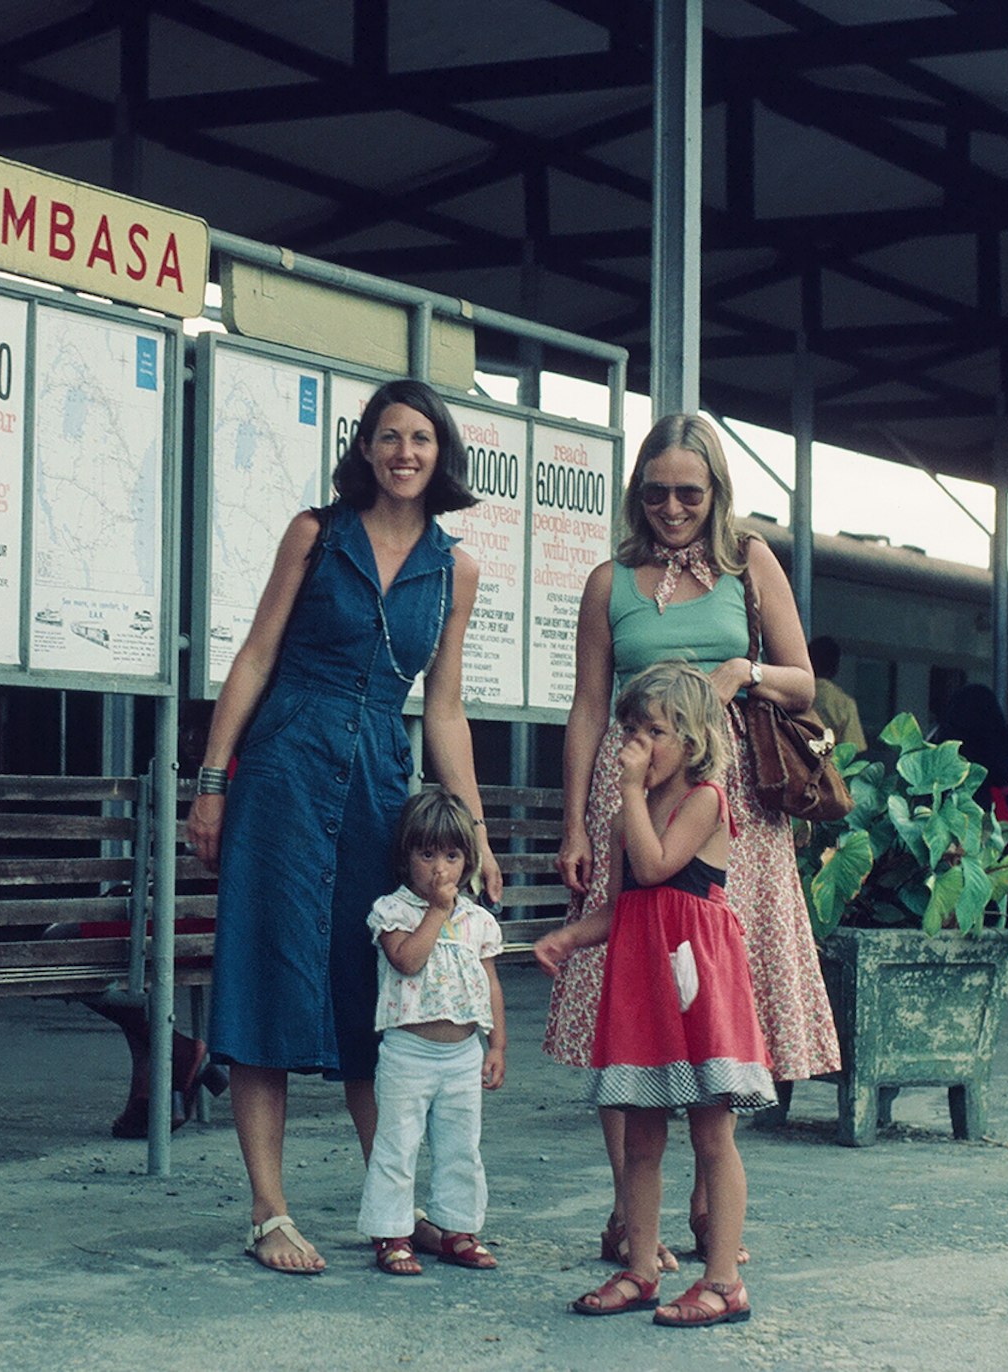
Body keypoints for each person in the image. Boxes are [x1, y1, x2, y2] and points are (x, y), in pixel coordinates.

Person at [184, 378, 502, 1275]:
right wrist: (214, 779)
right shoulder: (314, 535)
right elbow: (255, 655)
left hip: (373, 785)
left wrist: (471, 831)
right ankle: (269, 1212)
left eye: (422, 440)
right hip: (283, 769)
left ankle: (395, 1209)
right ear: (364, 448)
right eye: (388, 436)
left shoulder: (455, 570)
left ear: (443, 456)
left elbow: (443, 711)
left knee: (376, 998)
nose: (405, 453)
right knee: (264, 977)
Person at [546, 413, 837, 1272]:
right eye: (658, 491)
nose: (673, 507)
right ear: (638, 490)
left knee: (716, 989)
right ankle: (629, 1216)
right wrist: (575, 822)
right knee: (625, 986)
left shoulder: (749, 564)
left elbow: (805, 680)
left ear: (716, 492)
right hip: (626, 791)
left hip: (726, 796)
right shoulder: (610, 581)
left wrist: (743, 671)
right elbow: (588, 709)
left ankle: (713, 1202)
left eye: (690, 492)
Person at [536, 663, 772, 1328]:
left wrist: (632, 795)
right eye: (630, 729)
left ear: (695, 740)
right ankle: (641, 1269)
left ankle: (723, 1281)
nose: (637, 742)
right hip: (642, 984)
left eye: (655, 730)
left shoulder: (705, 801)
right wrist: (570, 937)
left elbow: (657, 866)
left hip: (697, 984)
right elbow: (620, 906)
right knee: (641, 1136)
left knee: (711, 1135)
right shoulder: (621, 818)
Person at [357, 789, 506, 1276]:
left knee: (462, 1147)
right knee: (397, 1146)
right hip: (408, 1053)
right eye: (427, 854)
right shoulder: (394, 911)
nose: (439, 868)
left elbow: (490, 983)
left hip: (462, 1054)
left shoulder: (477, 920)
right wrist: (436, 912)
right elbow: (407, 960)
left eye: (451, 855)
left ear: (467, 861)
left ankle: (457, 1228)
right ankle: (392, 1233)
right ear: (407, 857)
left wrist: (496, 1043)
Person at [932, 683, 1008, 821]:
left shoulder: (945, 743)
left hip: (943, 813)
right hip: (980, 811)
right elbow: (1003, 775)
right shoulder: (992, 740)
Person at [807, 636, 866, 751]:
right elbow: (854, 750)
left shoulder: (791, 693)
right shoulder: (844, 704)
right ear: (835, 667)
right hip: (828, 765)